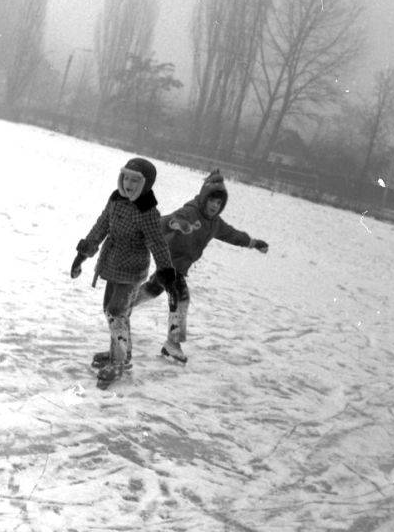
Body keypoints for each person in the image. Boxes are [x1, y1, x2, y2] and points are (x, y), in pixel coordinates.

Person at [134, 169, 269, 362]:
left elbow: (232, 235)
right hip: (169, 262)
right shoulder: (190, 212)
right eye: (212, 200)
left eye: (219, 203)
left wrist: (254, 243)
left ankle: (123, 308)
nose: (215, 206)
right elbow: (165, 221)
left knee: (153, 289)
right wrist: (176, 223)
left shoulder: (215, 223)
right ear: (204, 198)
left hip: (179, 265)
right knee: (181, 299)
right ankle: (172, 344)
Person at [70, 157, 176, 384]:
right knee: (112, 311)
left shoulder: (148, 211)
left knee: (117, 313)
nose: (128, 183)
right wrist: (82, 255)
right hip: (112, 265)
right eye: (126, 177)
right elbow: (101, 226)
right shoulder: (116, 199)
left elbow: (158, 243)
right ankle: (121, 354)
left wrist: (166, 271)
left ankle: (119, 363)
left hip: (132, 270)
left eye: (135, 180)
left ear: (145, 184)